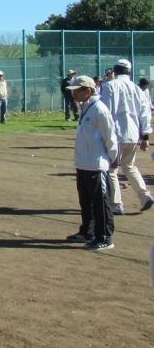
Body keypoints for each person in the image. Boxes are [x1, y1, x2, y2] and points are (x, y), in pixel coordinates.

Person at [65, 76, 118, 251]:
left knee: (100, 203)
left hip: (96, 164)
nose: (74, 94)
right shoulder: (85, 108)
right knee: (85, 202)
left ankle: (104, 236)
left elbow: (110, 137)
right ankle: (87, 231)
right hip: (83, 164)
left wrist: (113, 158)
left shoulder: (99, 109)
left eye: (77, 90)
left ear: (88, 90)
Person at [100, 59, 153, 215]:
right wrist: (145, 137)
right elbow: (145, 114)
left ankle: (116, 203)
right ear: (129, 72)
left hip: (115, 134)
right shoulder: (137, 89)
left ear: (115, 71)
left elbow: (106, 111)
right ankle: (145, 196)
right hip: (133, 133)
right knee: (129, 166)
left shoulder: (109, 86)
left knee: (111, 169)